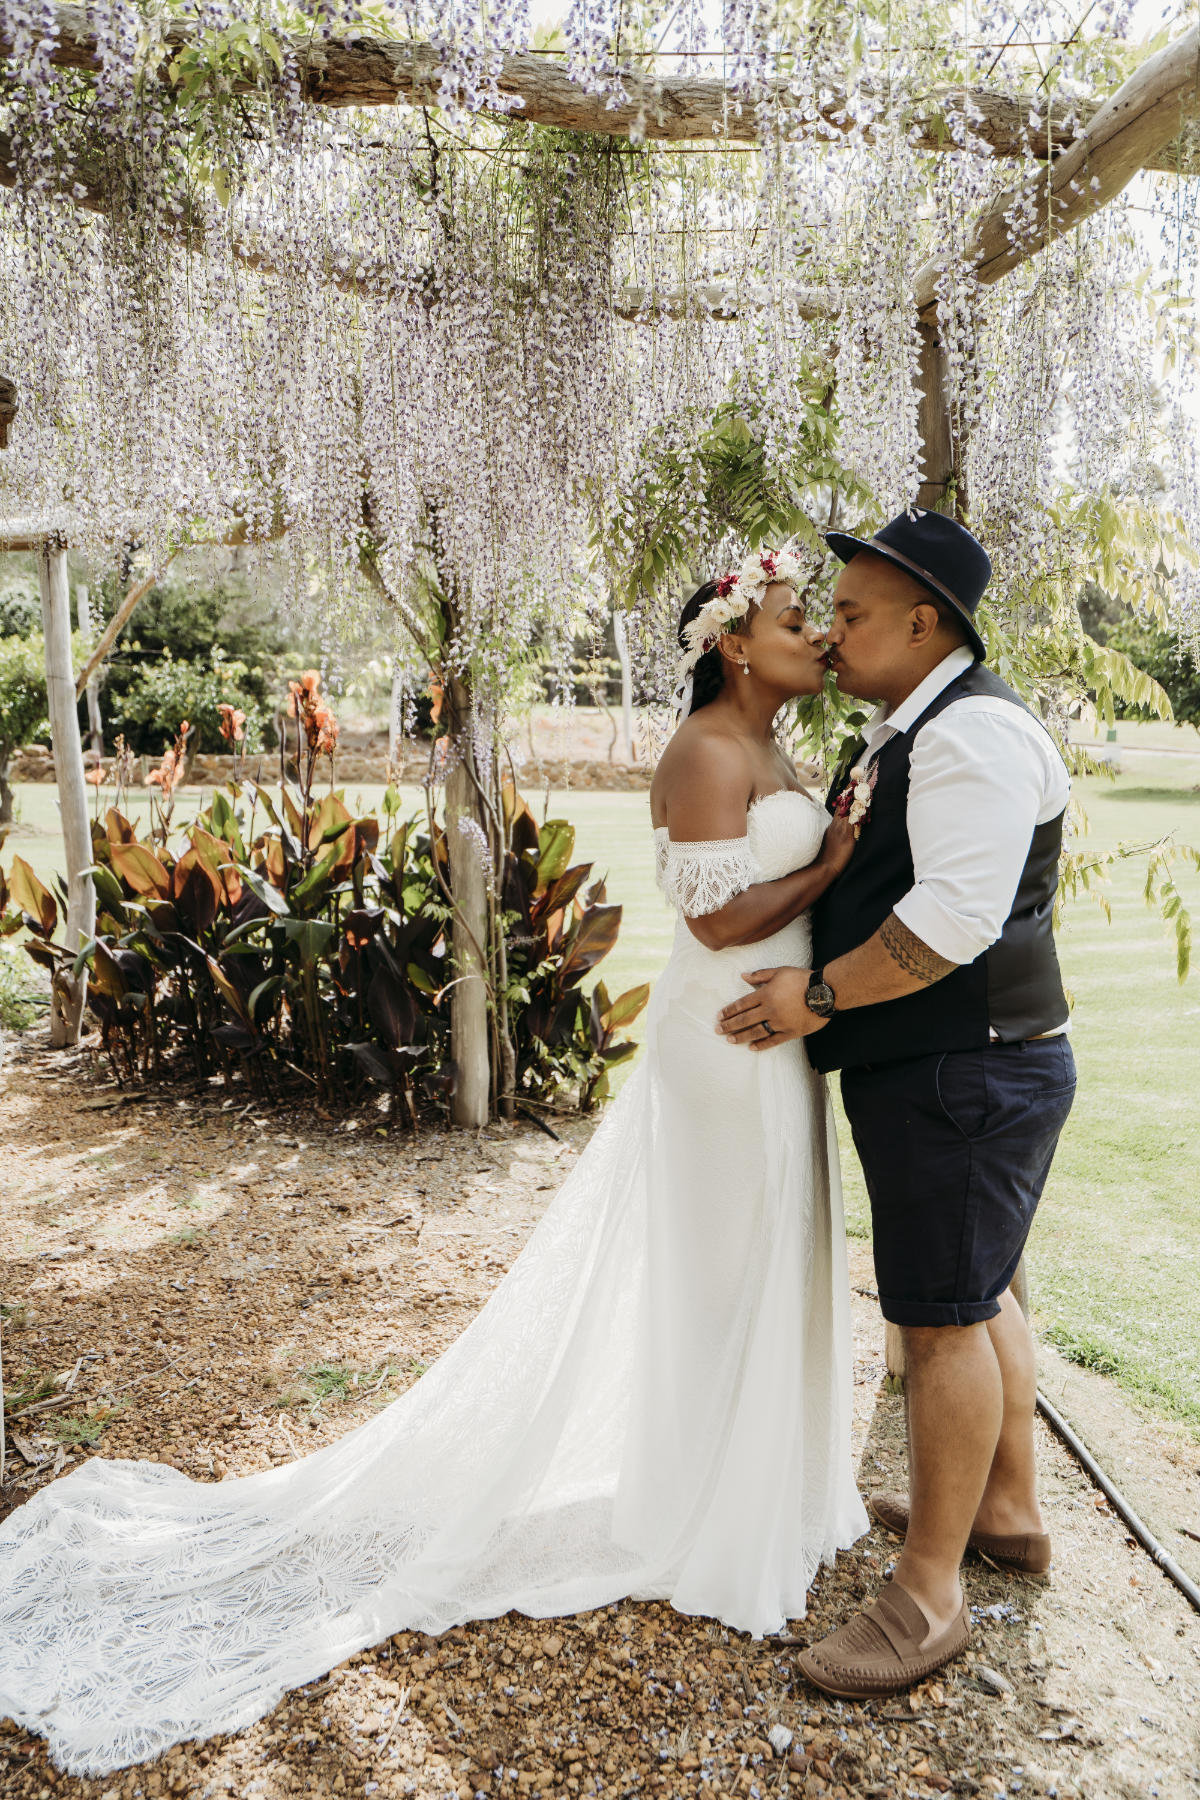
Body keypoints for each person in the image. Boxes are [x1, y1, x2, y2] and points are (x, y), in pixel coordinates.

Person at [0, 546, 868, 1779]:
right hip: (722, 1033)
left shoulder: (782, 747)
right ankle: (703, 1514)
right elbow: (717, 916)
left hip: (776, 1032)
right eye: (797, 621)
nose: (819, 639)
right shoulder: (704, 752)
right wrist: (833, 859)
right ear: (734, 641)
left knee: (777, 1251)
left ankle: (762, 1489)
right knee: (724, 1263)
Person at [718, 509, 1077, 1698]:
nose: (835, 630)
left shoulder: (969, 736)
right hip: (956, 1065)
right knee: (975, 1300)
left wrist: (818, 996)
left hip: (959, 1069)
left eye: (857, 613)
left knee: (938, 1323)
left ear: (927, 624)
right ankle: (1003, 1513)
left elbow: (948, 925)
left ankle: (927, 1598)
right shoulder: (919, 725)